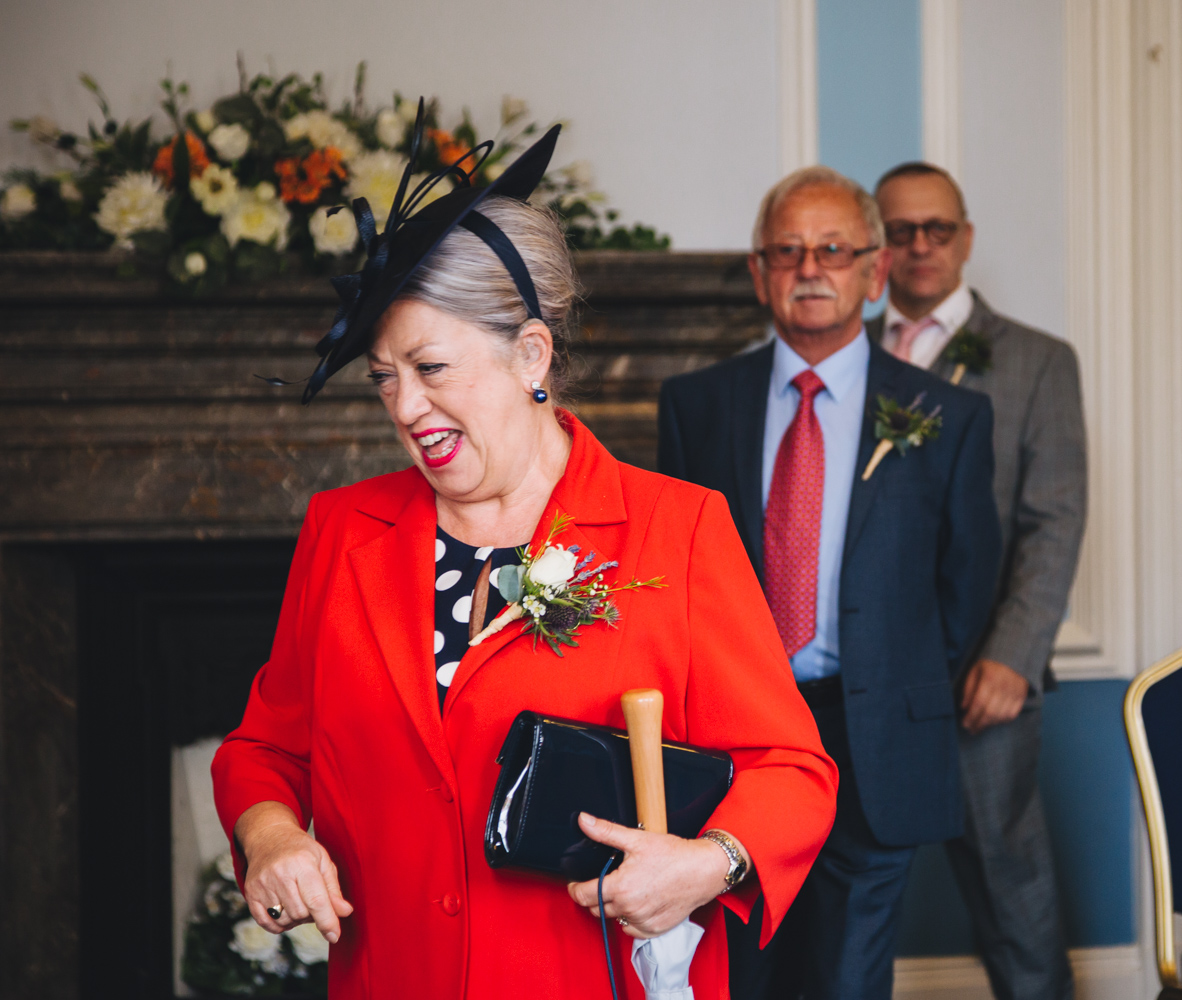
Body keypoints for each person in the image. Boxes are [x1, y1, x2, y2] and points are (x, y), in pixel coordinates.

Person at [211, 114, 838, 1000]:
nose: (405, 404)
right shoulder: (343, 532)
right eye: (385, 377)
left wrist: (708, 864)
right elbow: (264, 749)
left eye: (431, 366)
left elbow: (793, 772)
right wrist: (271, 835)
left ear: (530, 354)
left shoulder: (679, 529)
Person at [657, 166, 1002, 1000]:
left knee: (846, 975)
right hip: (736, 738)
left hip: (875, 735)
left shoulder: (946, 416)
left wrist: (898, 675)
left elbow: (969, 577)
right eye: (788, 250)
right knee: (747, 972)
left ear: (874, 271)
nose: (810, 268)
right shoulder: (696, 405)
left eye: (833, 249)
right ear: (759, 272)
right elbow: (673, 579)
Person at [871, 161, 1086, 1000]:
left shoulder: (1039, 362)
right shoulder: (843, 353)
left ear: (966, 239)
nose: (921, 246)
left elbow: (1055, 520)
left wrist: (1014, 655)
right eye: (900, 231)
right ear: (877, 246)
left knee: (1013, 893)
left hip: (980, 679)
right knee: (849, 896)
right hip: (868, 682)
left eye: (938, 229)